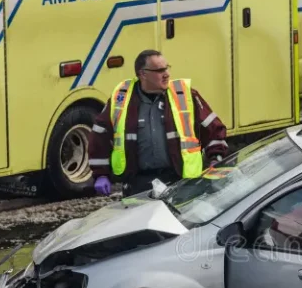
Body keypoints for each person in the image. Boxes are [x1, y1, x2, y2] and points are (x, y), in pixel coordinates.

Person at [88, 49, 229, 196]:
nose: (167, 74)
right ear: (143, 74)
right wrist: (101, 174)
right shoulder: (121, 99)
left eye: (167, 68)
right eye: (160, 70)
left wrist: (216, 160)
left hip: (180, 181)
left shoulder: (185, 95)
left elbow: (214, 129)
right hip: (138, 183)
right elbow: (100, 134)